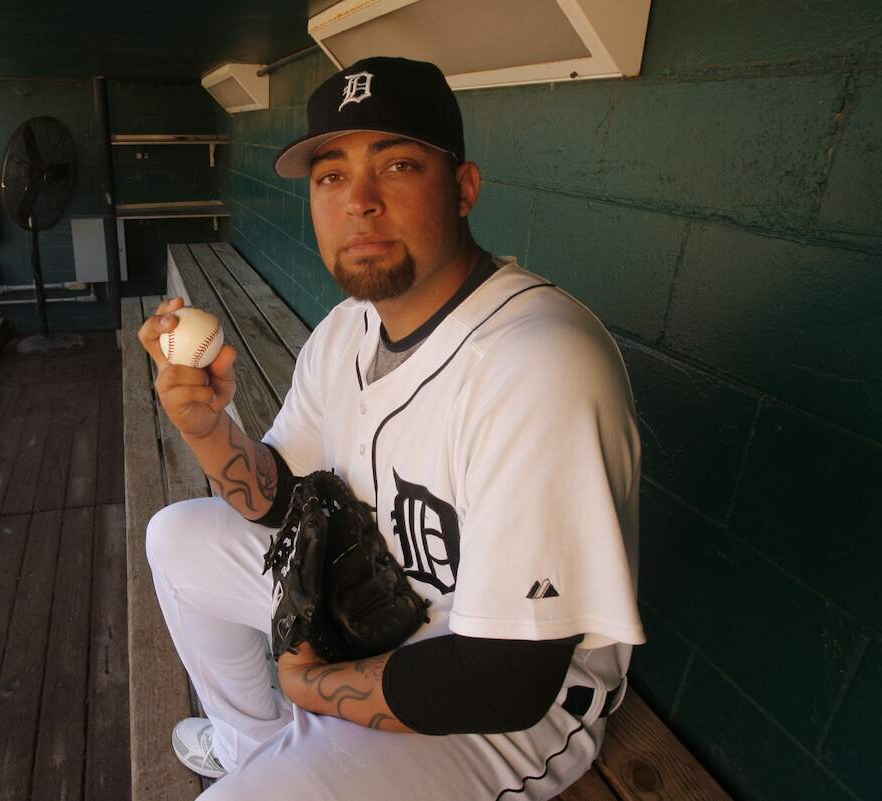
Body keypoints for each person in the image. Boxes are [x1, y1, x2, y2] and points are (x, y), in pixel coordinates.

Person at [138, 57, 644, 801]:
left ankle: (291, 753)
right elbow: (282, 499)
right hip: (373, 607)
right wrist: (205, 426)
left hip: (502, 706)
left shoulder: (540, 363)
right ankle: (257, 748)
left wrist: (314, 685)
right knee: (176, 538)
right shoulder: (348, 329)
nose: (360, 202)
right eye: (331, 175)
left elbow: (506, 678)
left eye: (399, 164)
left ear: (464, 188)